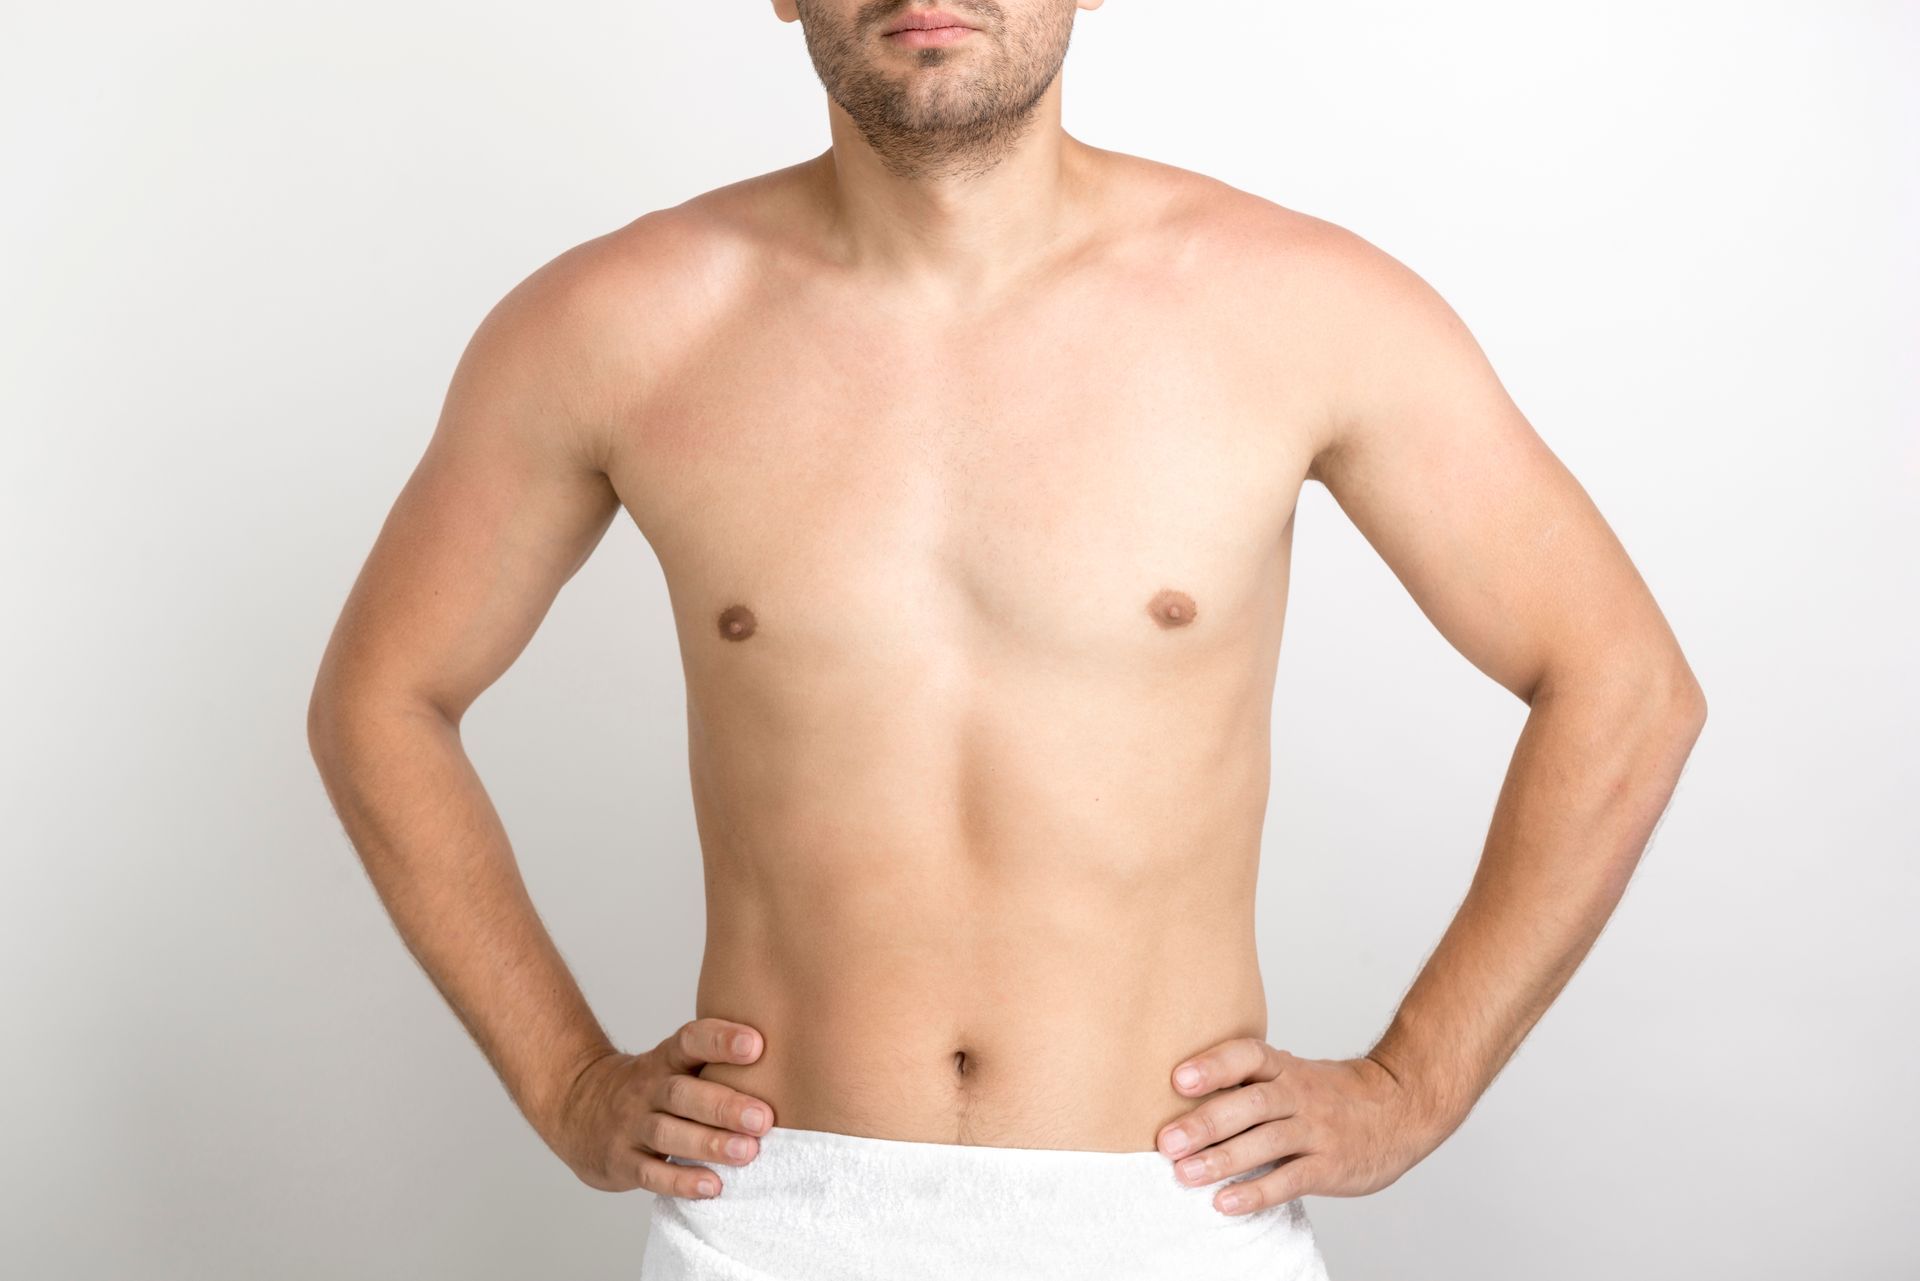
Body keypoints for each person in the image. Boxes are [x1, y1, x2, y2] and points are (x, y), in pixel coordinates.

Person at [305, 1, 1707, 1277]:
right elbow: (381, 696)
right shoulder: (615, 323)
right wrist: (564, 1080)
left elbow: (1625, 684)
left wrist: (1415, 1084)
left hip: (1167, 1213)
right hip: (775, 1218)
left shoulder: (1302, 310)